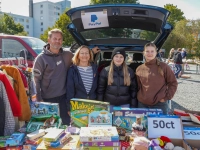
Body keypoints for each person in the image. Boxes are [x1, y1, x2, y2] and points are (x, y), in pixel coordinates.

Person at [33, 28, 100, 125]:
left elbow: (81, 57)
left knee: (65, 124)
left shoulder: (67, 54)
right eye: (55, 39)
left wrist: (91, 52)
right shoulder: (41, 59)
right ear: (49, 40)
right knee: (49, 125)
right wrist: (39, 100)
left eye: (60, 39)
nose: (57, 41)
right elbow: (35, 81)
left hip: (63, 97)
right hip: (47, 99)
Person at [136, 43, 178, 114]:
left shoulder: (164, 67)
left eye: (152, 51)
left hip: (159, 104)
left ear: (156, 52)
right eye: (147, 51)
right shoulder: (139, 69)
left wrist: (166, 97)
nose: (150, 53)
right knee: (143, 125)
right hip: (142, 104)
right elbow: (138, 86)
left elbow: (173, 83)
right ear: (144, 53)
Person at [97, 47, 137, 112]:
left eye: (121, 57)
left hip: (125, 105)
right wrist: (100, 106)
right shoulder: (105, 71)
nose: (118, 59)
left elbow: (133, 91)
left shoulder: (130, 71)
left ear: (124, 58)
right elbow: (100, 90)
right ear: (113, 57)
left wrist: (133, 107)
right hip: (109, 105)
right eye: (116, 56)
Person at [66, 45, 98, 111]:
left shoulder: (95, 68)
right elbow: (70, 90)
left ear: (90, 55)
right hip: (78, 105)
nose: (84, 55)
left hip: (93, 104)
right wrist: (69, 107)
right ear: (78, 55)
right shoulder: (72, 70)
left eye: (86, 53)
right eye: (82, 53)